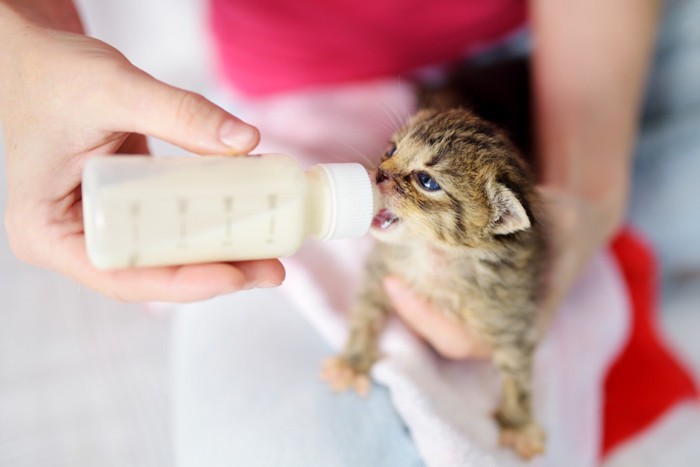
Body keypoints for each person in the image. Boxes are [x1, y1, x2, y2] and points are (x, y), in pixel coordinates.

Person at [0, 0, 667, 464]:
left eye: (416, 181)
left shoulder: (500, 216)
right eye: (392, 163)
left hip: (550, 66)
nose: (383, 178)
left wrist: (589, 196)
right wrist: (23, 50)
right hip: (292, 93)